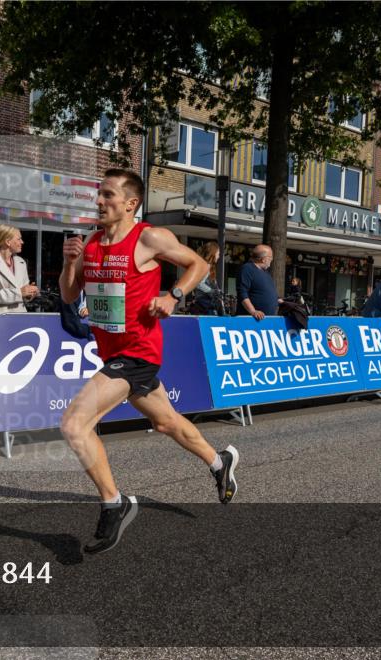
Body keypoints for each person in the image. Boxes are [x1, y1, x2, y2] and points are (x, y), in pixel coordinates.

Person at [59, 168, 238, 555]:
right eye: (99, 194)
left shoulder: (149, 238)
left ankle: (114, 503)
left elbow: (200, 266)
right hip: (112, 349)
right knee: (166, 421)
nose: (99, 201)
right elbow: (71, 293)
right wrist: (68, 263)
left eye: (108, 195)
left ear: (130, 203)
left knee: (75, 423)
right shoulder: (90, 243)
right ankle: (219, 461)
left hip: (138, 351)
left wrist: (173, 295)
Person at [0, 224, 38, 314]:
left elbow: (23, 295)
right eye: (19, 239)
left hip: (20, 317)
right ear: (8, 242)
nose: (22, 242)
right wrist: (20, 292)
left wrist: (30, 294)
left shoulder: (21, 262)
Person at [237, 244, 280, 320]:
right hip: (252, 320)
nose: (272, 260)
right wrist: (253, 311)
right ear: (263, 259)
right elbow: (242, 293)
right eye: (270, 258)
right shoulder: (247, 269)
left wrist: (278, 300)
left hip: (267, 320)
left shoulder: (265, 272)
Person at [189, 241, 225, 316]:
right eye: (218, 254)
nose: (219, 256)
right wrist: (212, 291)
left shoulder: (209, 267)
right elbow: (198, 284)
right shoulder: (205, 266)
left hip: (207, 303)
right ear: (213, 253)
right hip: (204, 305)